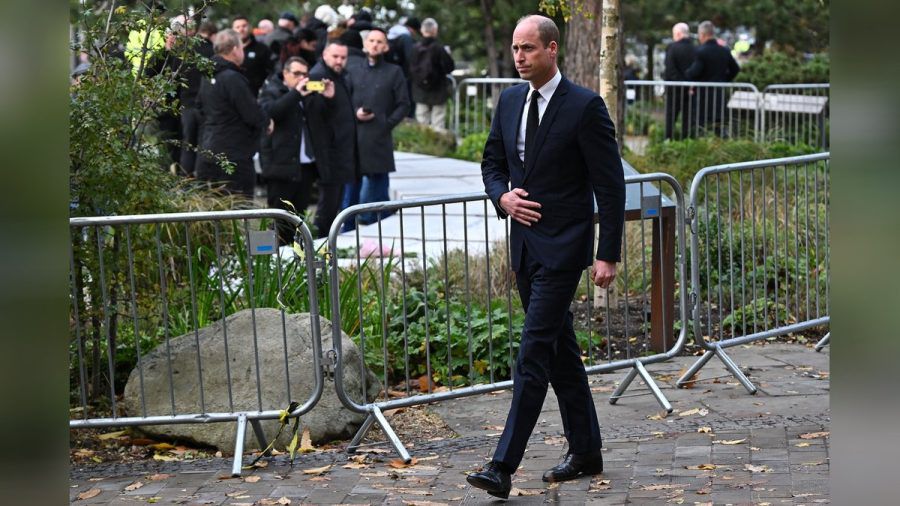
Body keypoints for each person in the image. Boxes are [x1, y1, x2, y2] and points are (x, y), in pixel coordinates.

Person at [466, 15, 625, 499]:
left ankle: (501, 465)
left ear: (552, 50)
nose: (518, 57)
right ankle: (586, 450)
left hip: (563, 251)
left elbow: (609, 184)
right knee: (561, 355)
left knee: (532, 353)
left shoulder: (584, 106)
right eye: (515, 48)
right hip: (523, 249)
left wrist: (607, 254)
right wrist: (502, 198)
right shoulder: (510, 99)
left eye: (527, 48)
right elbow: (492, 162)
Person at [258, 56, 336, 245]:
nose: (302, 78)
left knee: (299, 217)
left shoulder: (308, 95)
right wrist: (295, 94)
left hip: (305, 166)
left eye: (305, 74)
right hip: (280, 165)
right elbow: (271, 112)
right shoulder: (272, 90)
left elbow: (324, 120)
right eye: (297, 74)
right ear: (285, 74)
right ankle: (274, 261)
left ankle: (296, 259)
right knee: (280, 219)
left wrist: (328, 98)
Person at [341, 27, 410, 228]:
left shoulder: (394, 72)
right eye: (371, 40)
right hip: (355, 136)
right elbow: (344, 99)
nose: (375, 44)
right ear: (364, 44)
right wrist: (355, 113)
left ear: (386, 46)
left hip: (379, 137)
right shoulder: (352, 70)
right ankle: (347, 229)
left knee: (378, 189)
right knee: (351, 188)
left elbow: (404, 104)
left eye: (380, 41)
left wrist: (386, 123)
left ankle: (378, 229)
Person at [195, 29, 267, 197]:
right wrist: (266, 121)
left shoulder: (207, 76)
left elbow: (199, 107)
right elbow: (252, 114)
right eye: (242, 47)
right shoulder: (232, 78)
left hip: (209, 150)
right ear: (235, 49)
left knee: (215, 209)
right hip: (234, 155)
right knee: (238, 208)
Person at [303, 41, 359, 237]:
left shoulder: (339, 75)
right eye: (335, 56)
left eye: (343, 58)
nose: (339, 61)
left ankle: (326, 241)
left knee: (334, 201)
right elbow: (314, 115)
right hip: (329, 150)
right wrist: (329, 99)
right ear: (325, 54)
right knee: (328, 203)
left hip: (340, 148)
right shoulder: (319, 75)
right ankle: (321, 242)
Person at [685, 21, 740, 137]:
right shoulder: (724, 50)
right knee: (719, 126)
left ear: (703, 35)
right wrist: (725, 80)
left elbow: (694, 72)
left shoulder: (701, 52)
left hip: (703, 96)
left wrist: (688, 73)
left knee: (701, 127)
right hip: (719, 94)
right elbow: (735, 69)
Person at [410, 18, 455, 131]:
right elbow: (449, 67)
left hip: (419, 90)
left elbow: (410, 68)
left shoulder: (415, 48)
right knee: (438, 123)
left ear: (422, 30)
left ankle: (422, 147)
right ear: (435, 30)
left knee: (421, 123)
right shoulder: (439, 48)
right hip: (438, 90)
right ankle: (438, 147)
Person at [663, 22, 697, 140]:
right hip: (691, 91)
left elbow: (670, 70)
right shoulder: (695, 48)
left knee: (671, 118)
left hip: (674, 90)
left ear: (678, 33)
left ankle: (668, 141)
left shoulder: (672, 48)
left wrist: (681, 83)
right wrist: (689, 85)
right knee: (688, 119)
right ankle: (686, 142)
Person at [231, 16, 273, 96]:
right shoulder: (229, 50)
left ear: (250, 27)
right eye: (237, 27)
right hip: (234, 95)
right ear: (233, 30)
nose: (241, 29)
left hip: (257, 95)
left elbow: (272, 71)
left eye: (244, 26)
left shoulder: (262, 49)